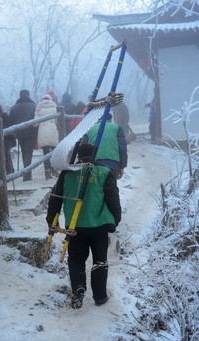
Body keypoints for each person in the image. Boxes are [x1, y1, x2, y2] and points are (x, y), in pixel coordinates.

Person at [46, 143, 121, 309]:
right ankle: (100, 296)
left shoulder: (67, 173)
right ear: (95, 154)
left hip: (74, 226)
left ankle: (78, 287)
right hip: (99, 225)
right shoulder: (105, 172)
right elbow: (113, 198)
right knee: (100, 260)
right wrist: (115, 220)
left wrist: (52, 220)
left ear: (78, 156)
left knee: (76, 259)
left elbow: (55, 197)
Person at [82, 113, 128, 179]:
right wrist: (122, 166)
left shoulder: (89, 130)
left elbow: (84, 149)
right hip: (113, 165)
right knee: (111, 187)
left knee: (97, 187)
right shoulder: (117, 128)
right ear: (110, 120)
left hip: (94, 165)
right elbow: (122, 148)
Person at [8, 89, 36, 181]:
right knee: (28, 152)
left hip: (19, 133)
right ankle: (27, 174)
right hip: (31, 132)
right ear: (28, 95)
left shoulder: (14, 107)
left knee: (24, 152)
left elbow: (10, 121)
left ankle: (26, 171)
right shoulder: (33, 106)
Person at [34, 94, 59, 180]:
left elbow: (35, 123)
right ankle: (54, 169)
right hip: (53, 131)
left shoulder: (38, 107)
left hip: (43, 131)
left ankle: (47, 172)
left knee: (45, 153)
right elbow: (57, 121)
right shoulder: (55, 106)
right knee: (53, 152)